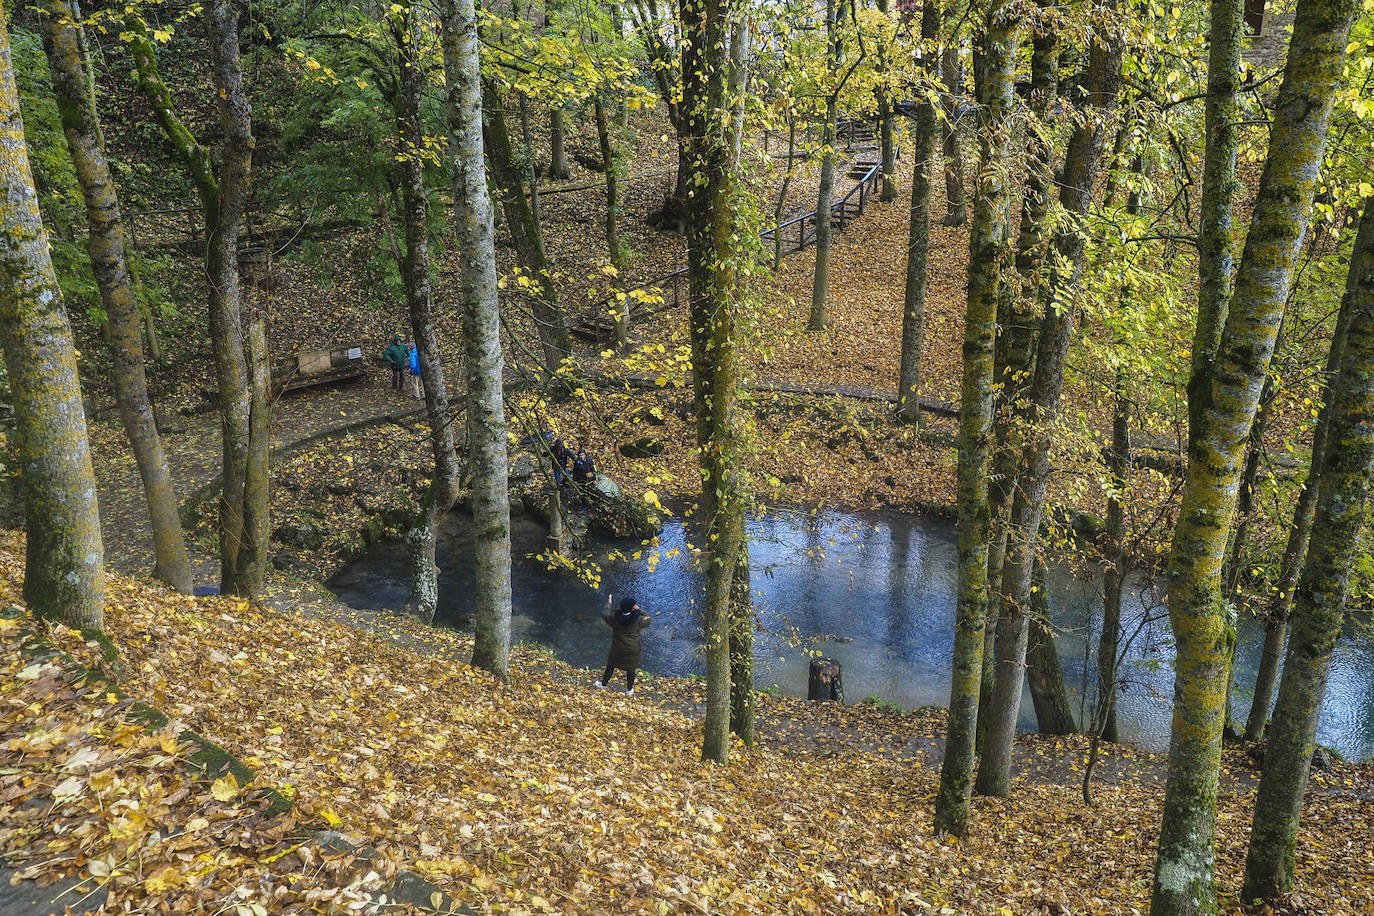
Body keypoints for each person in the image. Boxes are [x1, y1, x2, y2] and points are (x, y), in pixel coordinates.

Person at [596, 595, 650, 694]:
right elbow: (649, 619)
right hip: (633, 650)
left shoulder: (614, 618)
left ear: (620, 607)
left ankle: (603, 685)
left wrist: (609, 602)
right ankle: (629, 690)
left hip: (617, 648)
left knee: (611, 666)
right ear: (633, 608)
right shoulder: (639, 619)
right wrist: (640, 610)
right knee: (631, 670)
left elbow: (605, 614)